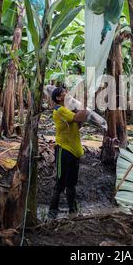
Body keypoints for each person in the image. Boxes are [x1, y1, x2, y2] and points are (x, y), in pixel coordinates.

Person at [47, 87, 89, 220]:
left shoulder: (68, 109)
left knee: (71, 184)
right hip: (63, 150)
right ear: (59, 98)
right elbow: (78, 117)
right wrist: (86, 105)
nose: (67, 94)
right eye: (64, 92)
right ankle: (52, 212)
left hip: (74, 151)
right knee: (60, 183)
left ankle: (73, 210)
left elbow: (78, 123)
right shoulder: (59, 110)